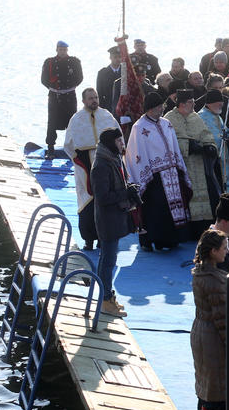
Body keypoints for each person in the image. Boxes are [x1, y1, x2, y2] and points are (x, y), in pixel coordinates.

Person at [125, 92, 192, 251]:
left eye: (161, 106)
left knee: (172, 208)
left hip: (171, 173)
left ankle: (171, 240)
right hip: (152, 177)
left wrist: (177, 166)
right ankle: (151, 240)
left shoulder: (166, 123)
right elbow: (136, 154)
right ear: (149, 109)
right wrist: (146, 174)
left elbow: (174, 146)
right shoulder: (139, 127)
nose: (161, 109)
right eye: (157, 107)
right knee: (155, 209)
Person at [190, 229, 229, 410]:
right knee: (213, 391)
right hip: (212, 338)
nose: (227, 251)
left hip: (201, 330)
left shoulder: (202, 273)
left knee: (205, 387)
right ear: (213, 251)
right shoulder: (213, 281)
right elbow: (222, 319)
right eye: (224, 247)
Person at [64, 88, 121, 251]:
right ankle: (89, 239)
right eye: (90, 98)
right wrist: (78, 160)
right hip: (85, 166)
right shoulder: (76, 119)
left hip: (107, 164)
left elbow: (119, 139)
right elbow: (68, 145)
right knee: (87, 202)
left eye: (96, 97)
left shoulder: (107, 116)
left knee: (107, 201)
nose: (94, 100)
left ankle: (105, 238)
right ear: (83, 101)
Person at [91, 128, 137, 317]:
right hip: (107, 219)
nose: (122, 144)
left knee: (109, 259)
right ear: (111, 143)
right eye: (119, 141)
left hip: (115, 217)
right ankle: (104, 300)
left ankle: (107, 296)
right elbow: (102, 197)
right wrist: (125, 193)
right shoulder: (101, 165)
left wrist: (129, 190)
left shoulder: (114, 159)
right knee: (108, 261)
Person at [166, 90, 219, 234]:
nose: (194, 104)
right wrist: (189, 146)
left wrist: (210, 146)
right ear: (182, 104)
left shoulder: (195, 117)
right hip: (182, 168)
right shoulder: (169, 119)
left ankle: (204, 228)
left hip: (200, 165)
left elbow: (206, 134)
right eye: (191, 102)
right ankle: (188, 231)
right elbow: (169, 143)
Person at [41, 40, 84, 158]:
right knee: (52, 123)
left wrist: (69, 87)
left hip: (70, 96)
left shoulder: (74, 62)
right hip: (55, 96)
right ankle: (50, 150)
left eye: (64, 50)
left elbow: (79, 77)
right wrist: (54, 88)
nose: (62, 52)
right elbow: (44, 79)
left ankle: (73, 149)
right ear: (57, 50)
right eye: (60, 49)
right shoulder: (49, 62)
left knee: (72, 122)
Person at [199, 90, 229, 193]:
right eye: (219, 103)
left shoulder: (217, 115)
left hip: (223, 158)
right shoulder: (201, 116)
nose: (222, 105)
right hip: (212, 159)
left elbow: (224, 131)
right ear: (210, 103)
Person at [96, 45, 122, 114]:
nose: (118, 59)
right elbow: (99, 92)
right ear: (110, 58)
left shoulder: (126, 71)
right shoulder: (102, 73)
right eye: (115, 57)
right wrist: (102, 108)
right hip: (108, 106)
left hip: (123, 106)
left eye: (119, 57)